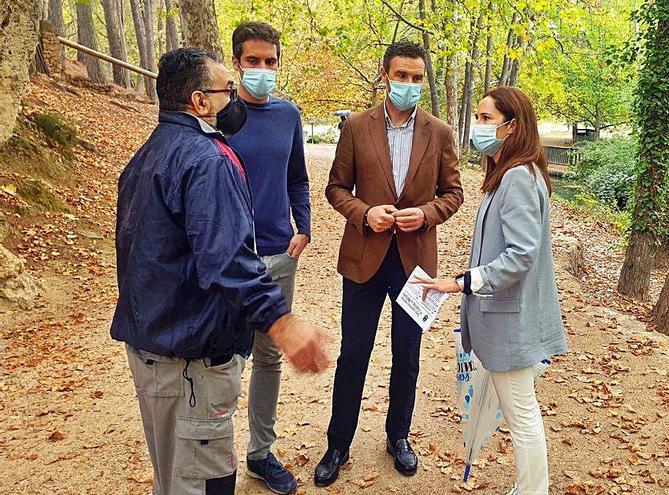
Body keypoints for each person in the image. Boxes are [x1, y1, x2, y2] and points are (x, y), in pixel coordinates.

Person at [111, 47, 330, 495]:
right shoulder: (206, 159)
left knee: (173, 474)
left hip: (156, 351)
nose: (234, 97)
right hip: (189, 361)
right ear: (199, 101)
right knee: (202, 481)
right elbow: (226, 260)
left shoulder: (148, 154)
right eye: (226, 90)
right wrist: (282, 323)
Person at [317, 39, 464, 487]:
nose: (409, 84)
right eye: (401, 76)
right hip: (364, 258)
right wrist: (364, 213)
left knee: (408, 356)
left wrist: (427, 214)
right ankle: (338, 443)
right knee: (354, 354)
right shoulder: (357, 128)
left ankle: (398, 436)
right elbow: (336, 188)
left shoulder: (438, 132)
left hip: (414, 261)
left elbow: (454, 194)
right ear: (385, 76)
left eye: (417, 78)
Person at [415, 86, 568, 495]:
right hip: (502, 318)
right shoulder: (506, 174)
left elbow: (521, 256)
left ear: (511, 126)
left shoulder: (518, 176)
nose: (478, 126)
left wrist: (464, 281)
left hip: (510, 321)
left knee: (521, 415)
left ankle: (533, 490)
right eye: (477, 117)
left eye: (486, 119)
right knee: (521, 412)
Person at [225, 21, 310, 494]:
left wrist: (305, 228)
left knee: (269, 357)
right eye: (253, 61)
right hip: (230, 259)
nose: (262, 70)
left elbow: (297, 177)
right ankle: (217, 457)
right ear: (237, 61)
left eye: (270, 62)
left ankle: (260, 453)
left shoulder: (288, 115)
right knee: (224, 357)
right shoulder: (219, 115)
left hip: (279, 253)